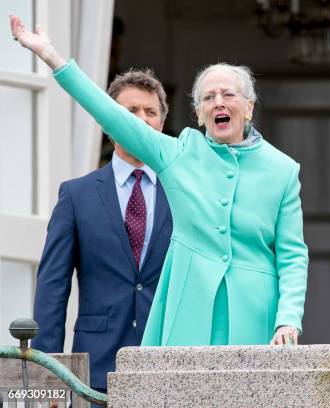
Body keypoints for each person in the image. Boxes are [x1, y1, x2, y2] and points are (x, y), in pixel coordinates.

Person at [10, 14, 308, 347]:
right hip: (188, 314)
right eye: (208, 97)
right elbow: (111, 115)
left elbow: (292, 254)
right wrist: (53, 58)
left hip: (256, 314)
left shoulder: (282, 169)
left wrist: (288, 318)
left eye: (229, 95)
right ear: (198, 114)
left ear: (249, 107)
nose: (219, 102)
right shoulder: (179, 154)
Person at [30, 69, 173, 396]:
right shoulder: (76, 195)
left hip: (170, 363)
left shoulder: (183, 193)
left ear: (162, 123)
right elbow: (53, 284)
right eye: (129, 112)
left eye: (151, 112)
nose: (142, 119)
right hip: (95, 368)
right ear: (108, 123)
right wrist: (46, 369)